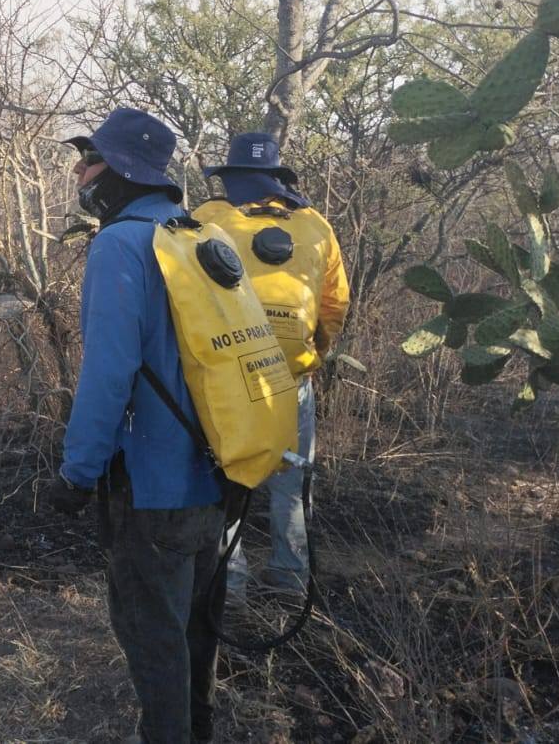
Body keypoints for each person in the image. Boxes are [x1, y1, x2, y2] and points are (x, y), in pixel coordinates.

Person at [46, 107, 228, 744]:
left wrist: (77, 472)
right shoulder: (196, 235)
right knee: (195, 631)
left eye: (89, 159)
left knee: (154, 639)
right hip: (216, 473)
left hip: (152, 486)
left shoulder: (120, 245)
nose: (79, 172)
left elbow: (108, 373)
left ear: (121, 171)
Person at [194, 132, 350, 596]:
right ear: (278, 178)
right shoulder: (316, 225)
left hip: (227, 376)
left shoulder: (207, 218)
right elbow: (335, 304)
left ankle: (230, 584)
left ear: (231, 176)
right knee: (291, 483)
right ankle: (290, 577)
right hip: (292, 377)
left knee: (227, 476)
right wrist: (313, 355)